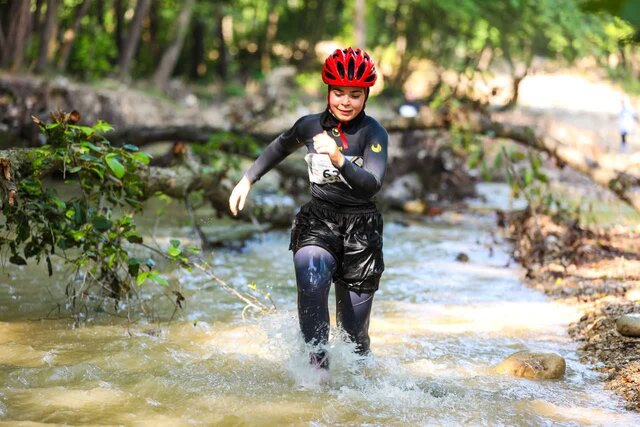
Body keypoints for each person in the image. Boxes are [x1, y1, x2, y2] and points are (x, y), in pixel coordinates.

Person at [228, 47, 388, 370]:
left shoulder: (374, 133)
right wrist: (247, 180)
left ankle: (357, 388)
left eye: (354, 95)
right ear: (328, 91)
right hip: (320, 220)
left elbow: (372, 183)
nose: (345, 101)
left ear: (366, 95)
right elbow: (279, 147)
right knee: (311, 277)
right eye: (339, 93)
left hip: (361, 230)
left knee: (354, 338)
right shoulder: (310, 127)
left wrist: (340, 160)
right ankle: (317, 367)